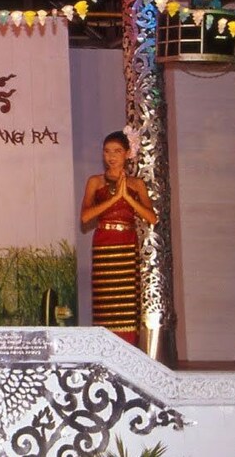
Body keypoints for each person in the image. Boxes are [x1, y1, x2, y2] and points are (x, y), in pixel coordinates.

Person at [80, 130, 157, 345]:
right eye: (106, 151)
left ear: (127, 154)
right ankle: (106, 350)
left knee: (126, 303)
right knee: (107, 301)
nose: (111, 156)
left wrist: (126, 198)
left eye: (117, 151)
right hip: (104, 242)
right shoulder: (95, 181)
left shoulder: (136, 184)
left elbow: (152, 217)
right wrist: (114, 199)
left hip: (126, 243)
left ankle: (129, 351)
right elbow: (85, 217)